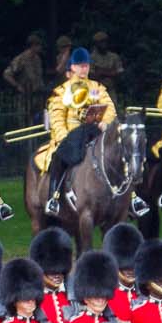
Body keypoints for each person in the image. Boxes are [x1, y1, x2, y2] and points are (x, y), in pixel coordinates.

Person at [38, 48, 114, 214]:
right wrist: (63, 136)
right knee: (59, 156)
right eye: (79, 66)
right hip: (72, 135)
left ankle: (130, 197)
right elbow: (56, 117)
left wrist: (105, 123)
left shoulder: (96, 87)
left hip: (95, 132)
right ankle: (54, 197)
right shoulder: (62, 91)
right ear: (72, 67)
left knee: (118, 153)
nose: (83, 69)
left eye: (86, 66)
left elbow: (110, 108)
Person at [2, 32, 48, 118]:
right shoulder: (21, 59)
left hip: (37, 97)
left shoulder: (37, 59)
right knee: (24, 122)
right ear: (33, 45)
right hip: (24, 97)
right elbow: (7, 74)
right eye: (39, 45)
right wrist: (17, 86)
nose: (40, 48)